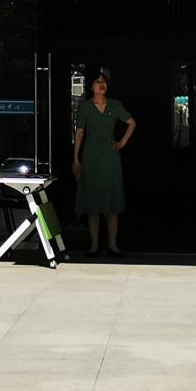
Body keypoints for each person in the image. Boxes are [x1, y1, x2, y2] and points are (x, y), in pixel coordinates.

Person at [72, 69, 134, 255]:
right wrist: (75, 158)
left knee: (111, 202)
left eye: (104, 81)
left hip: (109, 155)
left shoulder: (114, 105)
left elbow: (132, 122)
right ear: (91, 87)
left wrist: (122, 142)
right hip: (91, 155)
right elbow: (79, 132)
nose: (102, 84)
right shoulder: (85, 107)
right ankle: (94, 244)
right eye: (98, 81)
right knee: (93, 203)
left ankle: (112, 244)